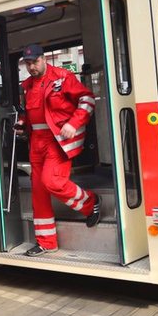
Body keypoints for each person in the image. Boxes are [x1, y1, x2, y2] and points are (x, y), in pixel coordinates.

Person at [15, 44, 101, 257]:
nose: (32, 67)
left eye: (35, 62)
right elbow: (31, 113)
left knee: (52, 182)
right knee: (39, 193)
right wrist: (22, 124)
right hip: (36, 142)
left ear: (44, 59)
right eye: (28, 64)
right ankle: (47, 242)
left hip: (57, 140)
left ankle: (91, 203)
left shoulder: (63, 77)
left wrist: (73, 123)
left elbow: (87, 100)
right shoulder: (26, 86)